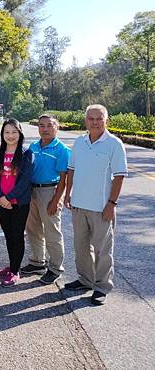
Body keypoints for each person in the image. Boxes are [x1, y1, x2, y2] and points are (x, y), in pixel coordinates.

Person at [64, 105, 127, 306]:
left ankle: (102, 287)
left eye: (99, 118)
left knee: (102, 250)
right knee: (81, 246)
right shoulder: (80, 142)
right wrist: (68, 194)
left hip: (102, 207)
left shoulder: (114, 144)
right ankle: (85, 280)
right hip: (79, 205)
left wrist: (112, 203)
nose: (95, 122)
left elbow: (119, 176)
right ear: (86, 121)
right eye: (91, 118)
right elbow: (71, 169)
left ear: (106, 120)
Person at [21, 114, 70, 285]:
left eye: (49, 125)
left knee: (52, 231)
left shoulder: (62, 149)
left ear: (57, 127)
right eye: (42, 125)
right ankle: (37, 262)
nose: (45, 128)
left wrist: (56, 200)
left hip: (50, 191)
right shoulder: (33, 146)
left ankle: (56, 268)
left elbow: (64, 178)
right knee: (33, 228)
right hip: (31, 191)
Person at [0, 119, 33, 286]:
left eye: (14, 132)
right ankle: (12, 266)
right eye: (7, 132)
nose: (10, 135)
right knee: (9, 236)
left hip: (19, 203)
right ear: (2, 135)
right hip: (0, 202)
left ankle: (15, 271)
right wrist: (0, 197)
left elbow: (25, 181)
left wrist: (9, 198)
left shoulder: (26, 154)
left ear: (20, 134)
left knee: (17, 236)